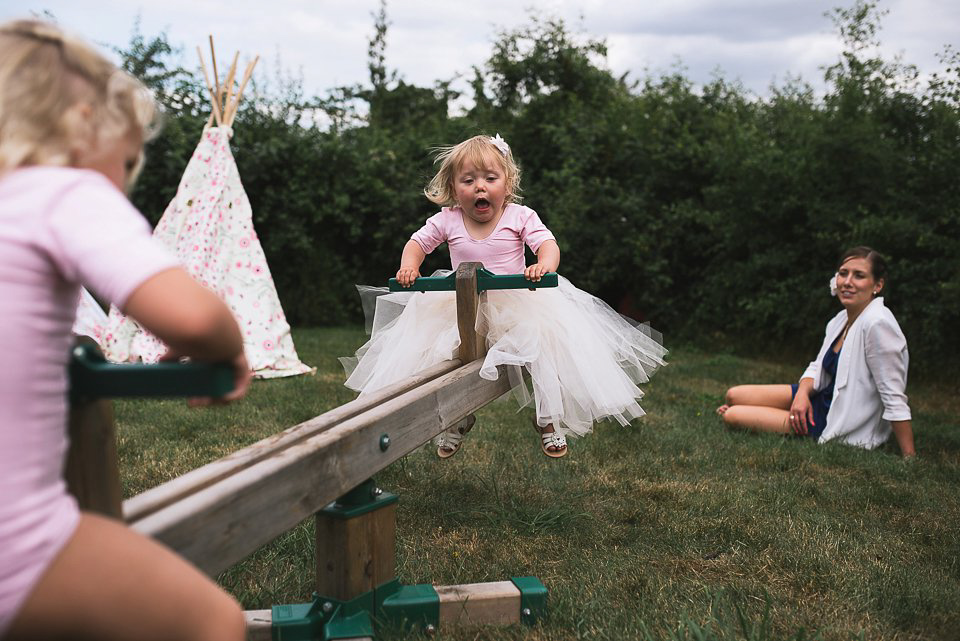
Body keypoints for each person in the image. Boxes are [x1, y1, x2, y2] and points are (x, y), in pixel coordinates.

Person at [0, 20, 252, 641]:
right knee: (212, 622)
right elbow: (189, 314)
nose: (127, 180)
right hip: (14, 547)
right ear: (83, 123)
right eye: (129, 159)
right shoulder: (65, 191)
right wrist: (228, 348)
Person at [341, 134, 667, 458]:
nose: (480, 187)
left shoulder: (519, 216)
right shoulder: (448, 219)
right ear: (455, 189)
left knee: (546, 347)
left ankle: (548, 418)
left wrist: (543, 265)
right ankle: (456, 418)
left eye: (490, 178)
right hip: (462, 305)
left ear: (507, 184)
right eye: (468, 180)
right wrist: (408, 267)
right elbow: (417, 243)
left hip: (518, 302)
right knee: (441, 355)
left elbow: (546, 244)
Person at [716, 247, 916, 458]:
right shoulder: (840, 320)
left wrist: (910, 457)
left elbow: (893, 394)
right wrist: (802, 395)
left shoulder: (878, 324)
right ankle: (756, 408)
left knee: (733, 416)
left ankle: (751, 413)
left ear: (877, 285)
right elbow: (817, 366)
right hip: (818, 396)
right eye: (843, 273)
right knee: (733, 395)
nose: (847, 282)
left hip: (832, 416)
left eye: (859, 275)